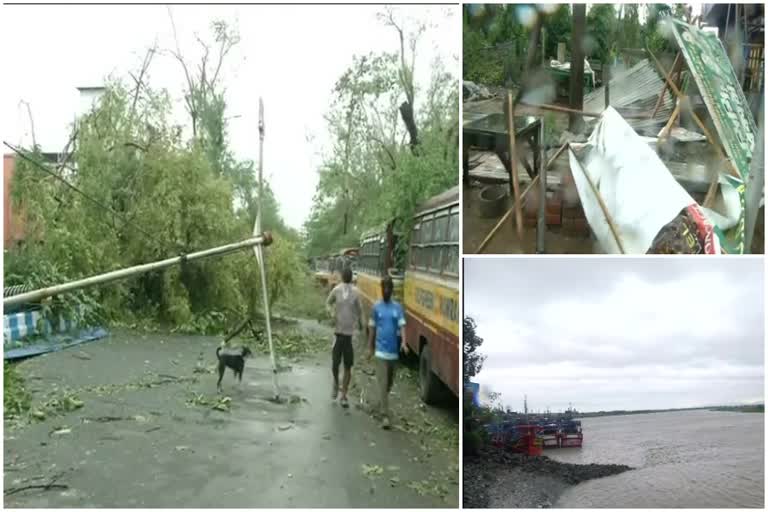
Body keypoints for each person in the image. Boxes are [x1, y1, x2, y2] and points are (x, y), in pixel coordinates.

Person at [367, 276, 408, 429]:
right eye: (384, 288)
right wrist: (370, 347)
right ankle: (385, 415)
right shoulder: (376, 307)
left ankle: (382, 401)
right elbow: (371, 328)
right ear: (381, 289)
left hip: (393, 353)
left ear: (391, 290)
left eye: (389, 288)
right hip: (380, 352)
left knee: (389, 383)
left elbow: (402, 326)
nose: (386, 291)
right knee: (383, 383)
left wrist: (404, 342)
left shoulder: (397, 307)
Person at [326, 266, 363, 408]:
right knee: (335, 363)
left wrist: (360, 325)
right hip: (338, 332)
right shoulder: (336, 290)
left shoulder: (356, 292)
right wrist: (331, 314)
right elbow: (328, 303)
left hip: (349, 335)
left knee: (348, 365)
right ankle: (336, 382)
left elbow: (360, 311)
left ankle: (344, 395)